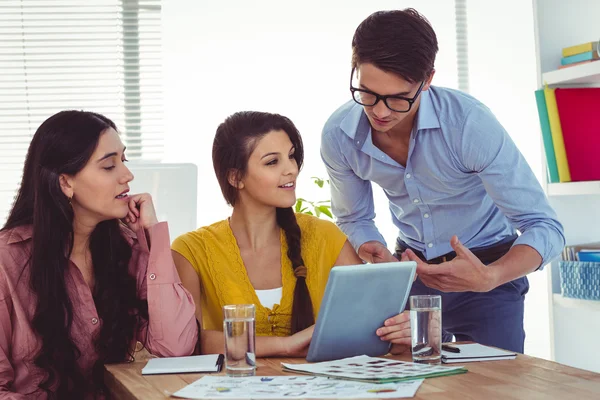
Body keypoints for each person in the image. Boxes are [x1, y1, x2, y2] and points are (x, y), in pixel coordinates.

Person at [320, 9, 565, 353]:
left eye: (398, 98)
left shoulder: (468, 125)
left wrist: (491, 276)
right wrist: (369, 247)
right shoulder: (340, 135)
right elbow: (354, 217)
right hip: (411, 274)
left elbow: (545, 226)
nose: (379, 111)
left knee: (494, 388)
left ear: (428, 78)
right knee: (403, 383)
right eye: (367, 93)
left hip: (487, 276)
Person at [172, 111, 411, 357]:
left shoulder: (326, 237)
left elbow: (371, 329)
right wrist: (287, 345)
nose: (292, 170)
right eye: (272, 162)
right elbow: (192, 341)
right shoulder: (191, 250)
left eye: (292, 157)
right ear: (236, 177)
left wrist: (400, 332)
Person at [0, 111, 198, 399]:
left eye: (124, 161)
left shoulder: (127, 247)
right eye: (109, 166)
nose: (127, 176)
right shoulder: (7, 261)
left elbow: (176, 345)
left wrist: (152, 235)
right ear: (65, 183)